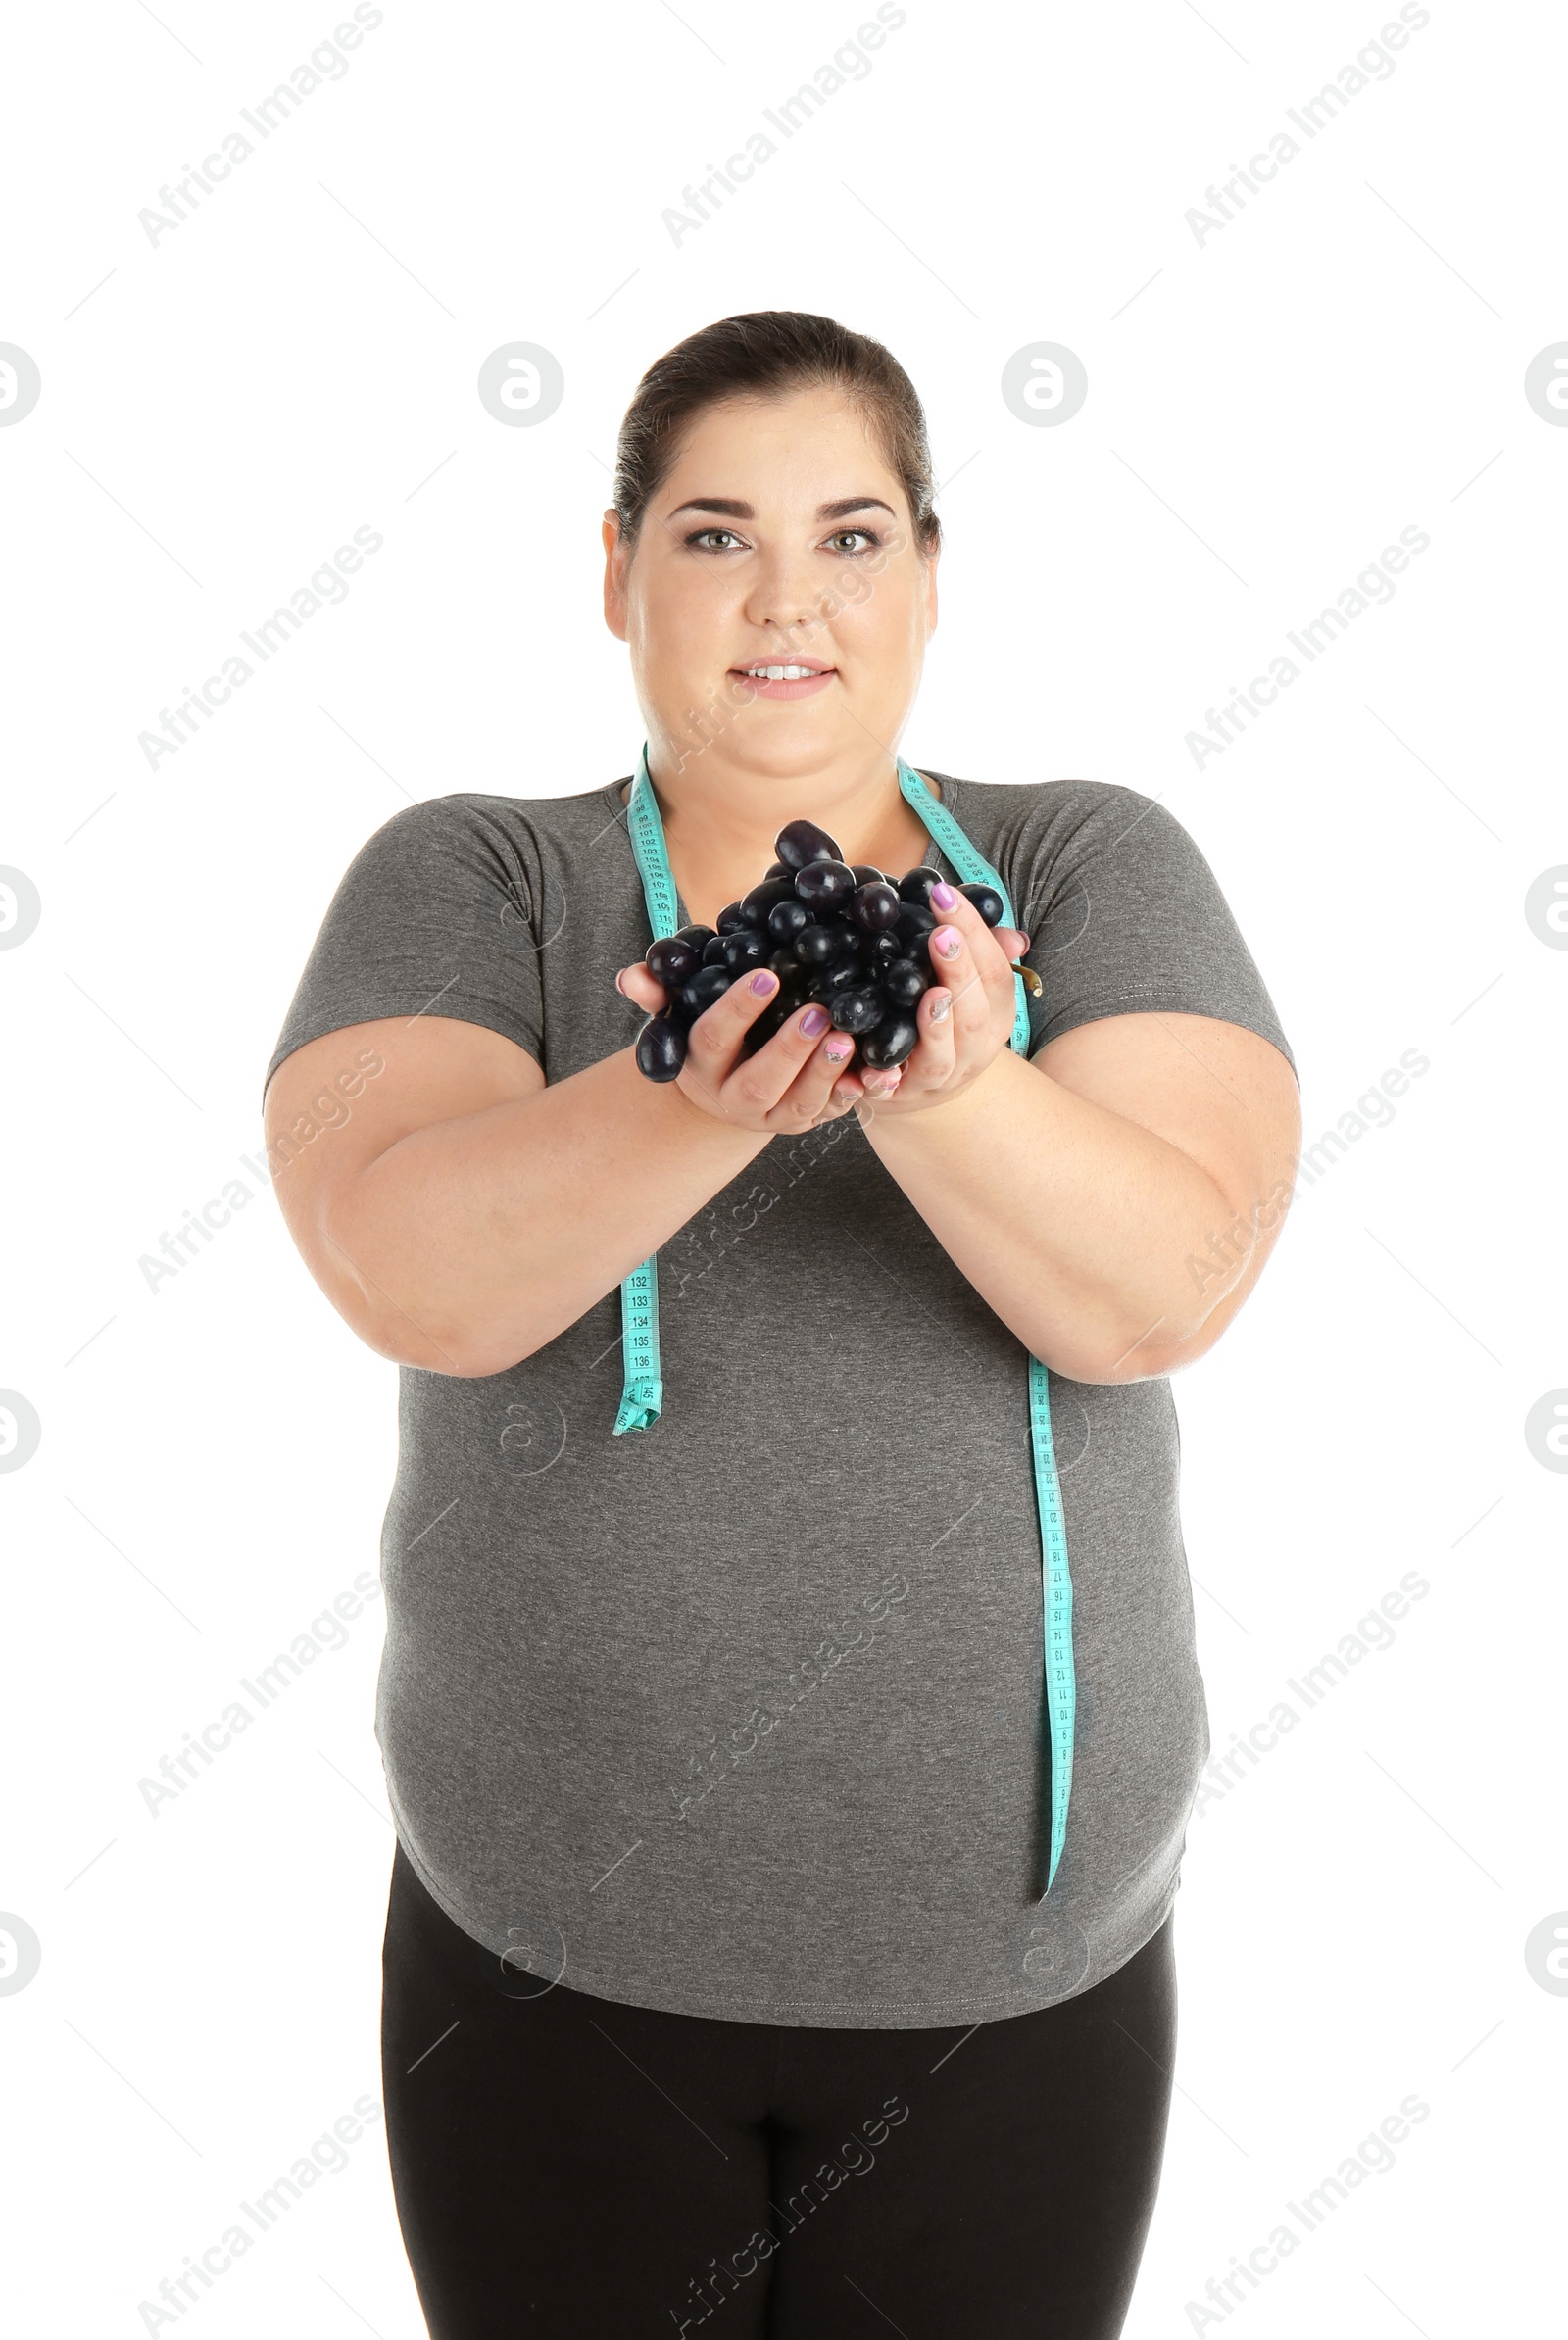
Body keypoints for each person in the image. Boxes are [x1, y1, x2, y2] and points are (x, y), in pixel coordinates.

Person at [263, 310, 1300, 2338]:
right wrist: (683, 1098)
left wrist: (947, 1087)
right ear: (616, 571)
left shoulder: (1086, 870)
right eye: (715, 534)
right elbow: (408, 1267)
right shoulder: (481, 878)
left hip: (1009, 1971)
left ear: (923, 571)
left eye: (847, 534)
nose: (783, 599)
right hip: (544, 1948)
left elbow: (1162, 1286)